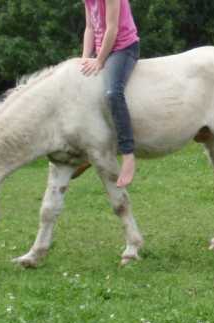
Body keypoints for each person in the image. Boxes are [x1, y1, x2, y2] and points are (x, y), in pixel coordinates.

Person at [81, 0, 140, 187]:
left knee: (113, 93)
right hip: (103, 49)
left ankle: (128, 155)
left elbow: (112, 29)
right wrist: (84, 58)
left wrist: (99, 61)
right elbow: (90, 27)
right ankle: (86, 154)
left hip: (123, 49)